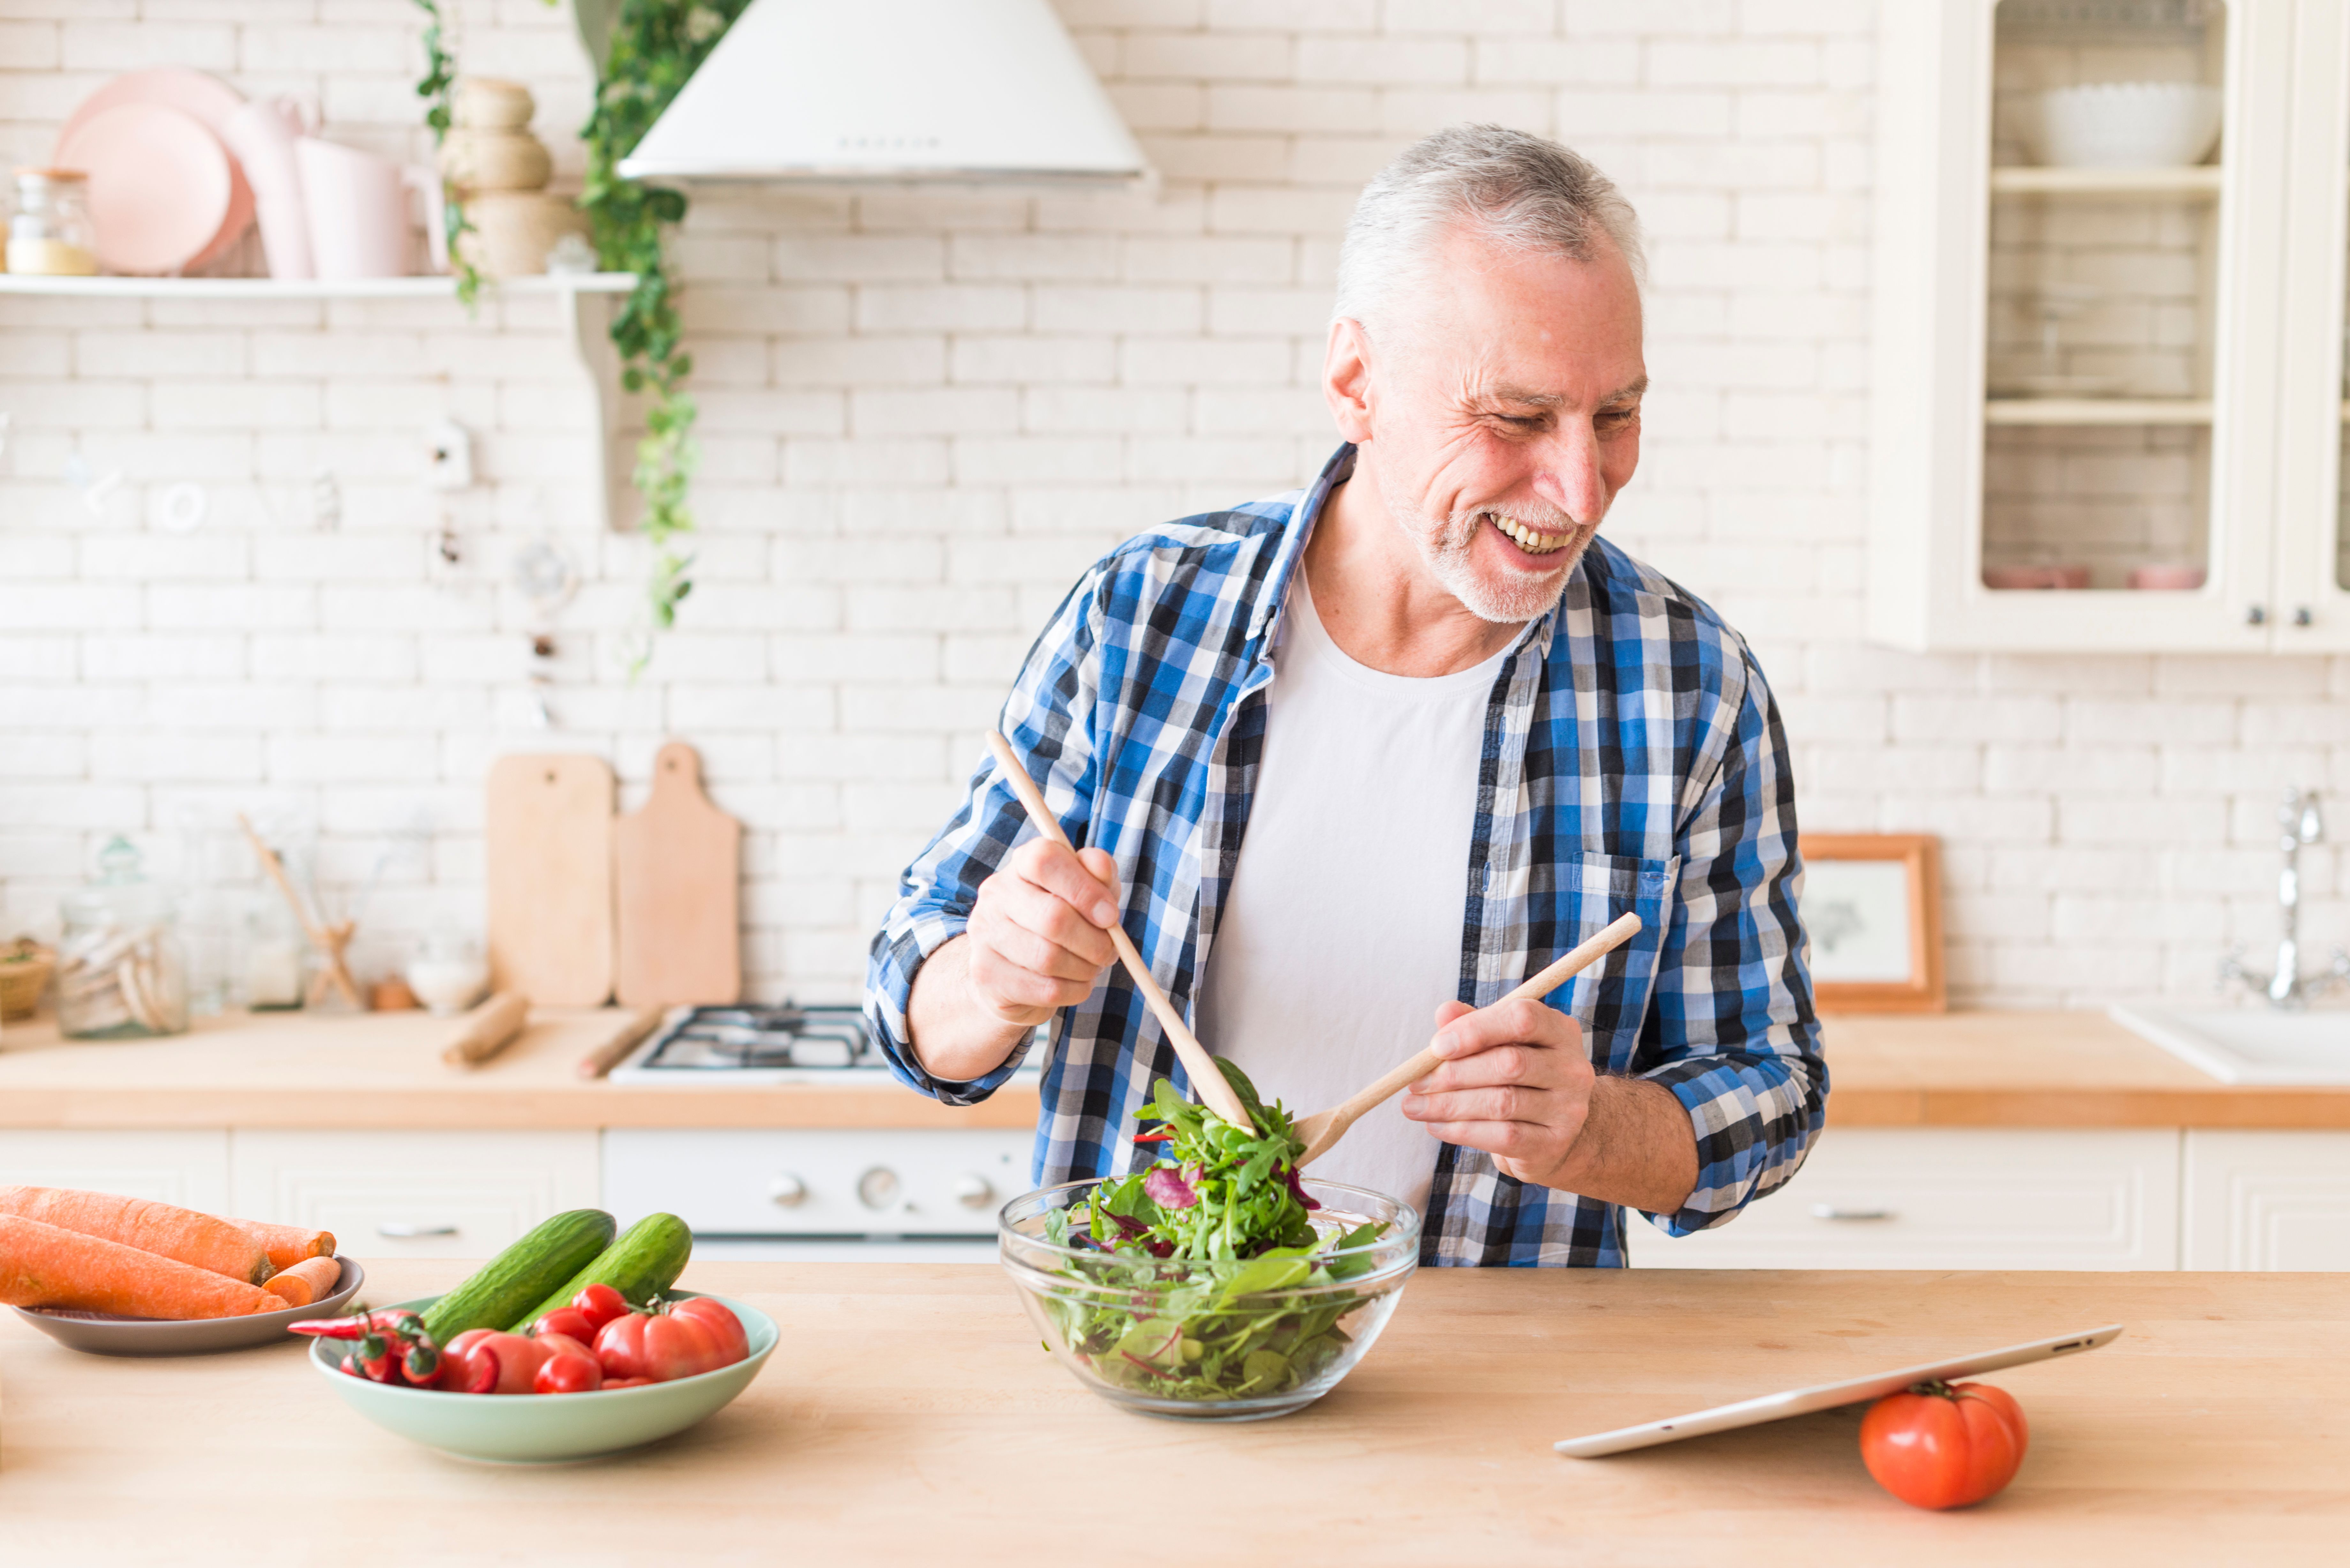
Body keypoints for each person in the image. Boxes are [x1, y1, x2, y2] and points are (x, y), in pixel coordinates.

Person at [865, 124, 1825, 1266]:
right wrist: (993, 978)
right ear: (1356, 382)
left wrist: (1595, 1131)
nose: (1579, 487)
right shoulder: (1144, 613)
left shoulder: (1691, 685)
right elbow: (910, 1001)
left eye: (1614, 415)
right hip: (1160, 1344)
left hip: (1503, 1387)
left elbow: (1773, 1087)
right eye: (1517, 418)